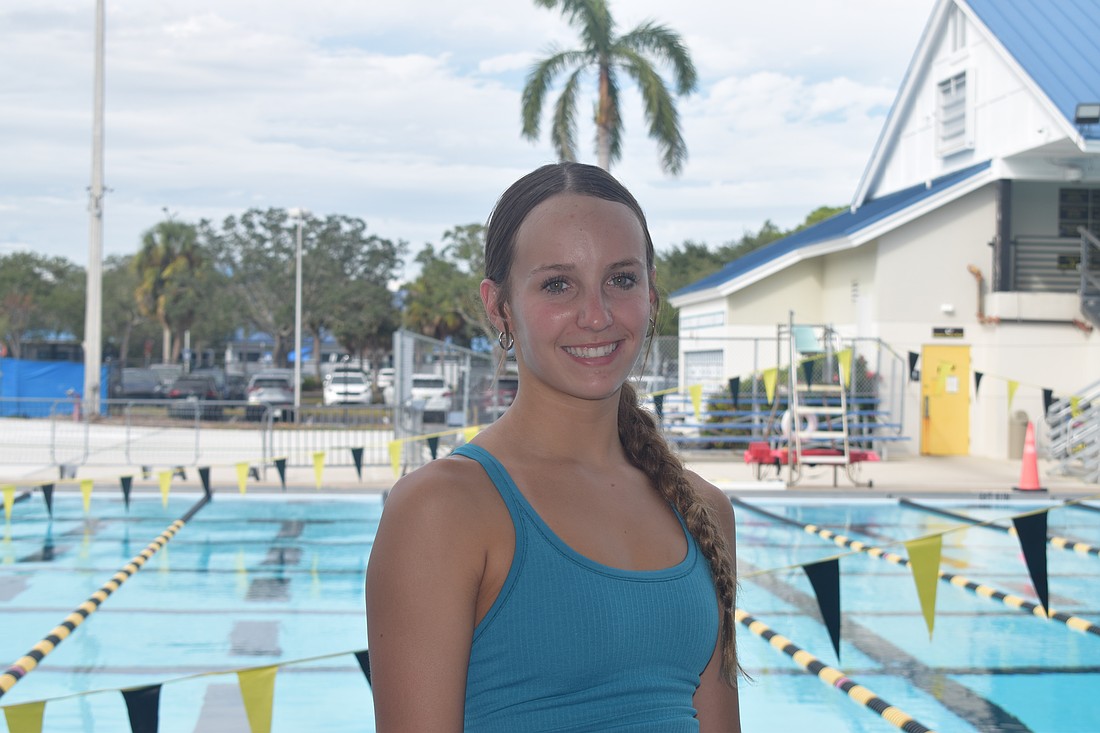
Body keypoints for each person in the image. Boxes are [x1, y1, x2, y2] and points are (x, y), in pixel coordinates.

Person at [366, 162, 742, 732]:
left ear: (650, 292)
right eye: (558, 285)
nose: (596, 315)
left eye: (621, 279)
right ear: (500, 307)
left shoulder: (701, 509)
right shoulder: (444, 510)